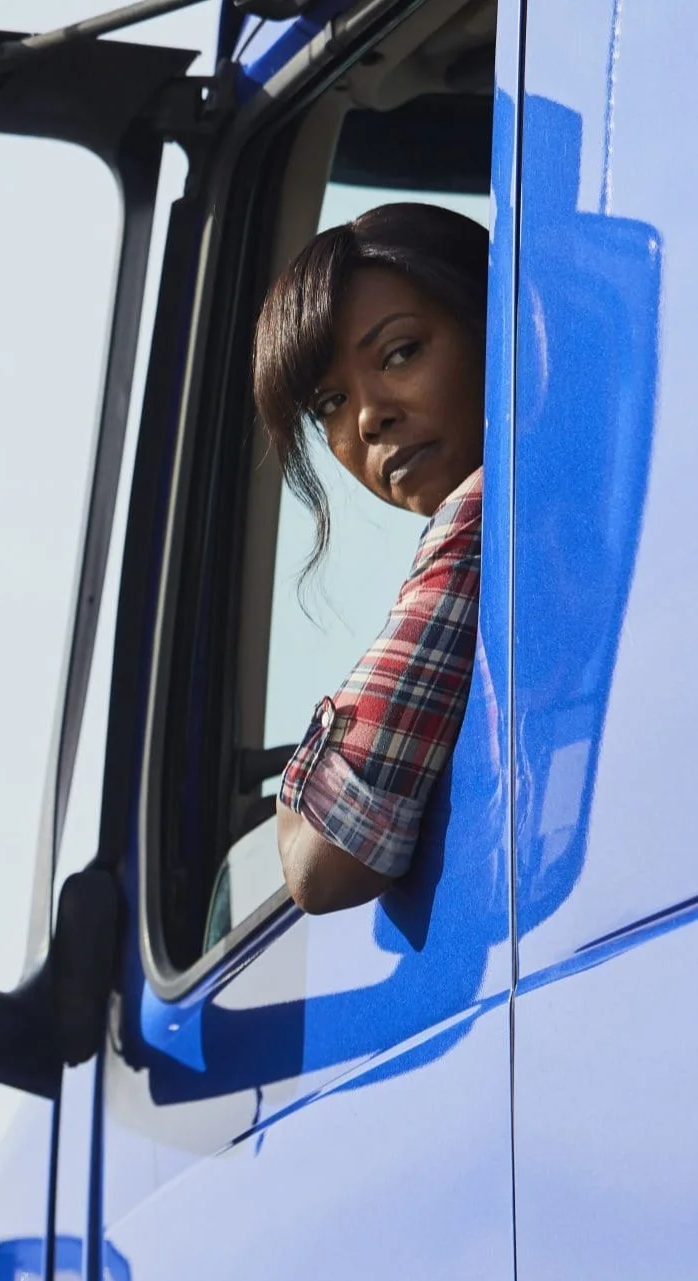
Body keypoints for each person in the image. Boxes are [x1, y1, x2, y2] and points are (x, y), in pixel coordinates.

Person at [252, 203, 487, 913]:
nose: (365, 418)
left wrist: (300, 798)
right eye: (329, 403)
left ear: (496, 322)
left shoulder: (486, 512)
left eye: (400, 353)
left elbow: (322, 862)